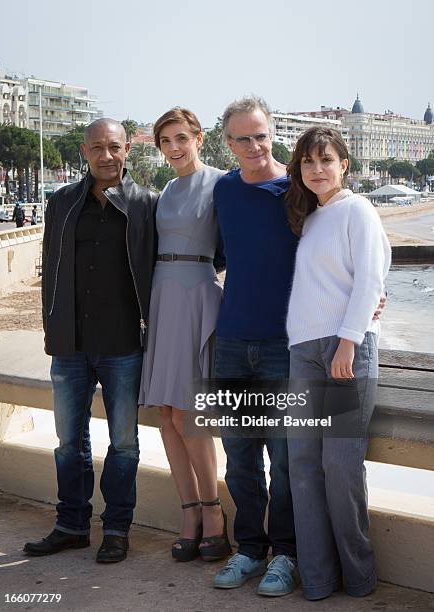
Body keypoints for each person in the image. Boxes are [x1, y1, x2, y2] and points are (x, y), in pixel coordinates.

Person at [24, 118, 158, 563]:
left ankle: (117, 528)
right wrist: (50, 326)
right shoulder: (61, 201)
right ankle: (71, 525)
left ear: (127, 152)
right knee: (68, 443)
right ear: (85, 151)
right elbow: (50, 269)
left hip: (123, 345)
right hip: (69, 343)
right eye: (98, 147)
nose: (106, 156)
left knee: (123, 443)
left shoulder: (145, 204)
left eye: (114, 147)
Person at [285, 127, 391, 600]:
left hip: (346, 349)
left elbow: (370, 282)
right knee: (304, 465)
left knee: (341, 464)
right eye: (307, 162)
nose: (316, 169)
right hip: (303, 351)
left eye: (325, 160)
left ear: (344, 163)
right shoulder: (309, 219)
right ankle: (318, 578)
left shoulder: (359, 210)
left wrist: (347, 343)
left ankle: (359, 578)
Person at [212, 97, 299, 597]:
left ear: (273, 134)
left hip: (286, 344)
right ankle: (249, 548)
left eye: (261, 135)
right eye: (242, 138)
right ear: (228, 143)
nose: (253, 146)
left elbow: (344, 244)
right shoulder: (224, 190)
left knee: (285, 458)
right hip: (231, 341)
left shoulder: (298, 186)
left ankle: (285, 554)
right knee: (240, 456)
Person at [139, 108, 231, 562]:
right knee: (166, 414)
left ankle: (214, 512)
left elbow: (244, 243)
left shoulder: (222, 183)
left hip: (197, 296)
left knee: (190, 415)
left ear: (198, 137)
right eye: (165, 141)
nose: (174, 148)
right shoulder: (165, 192)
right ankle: (189, 510)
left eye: (181, 138)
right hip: (162, 296)